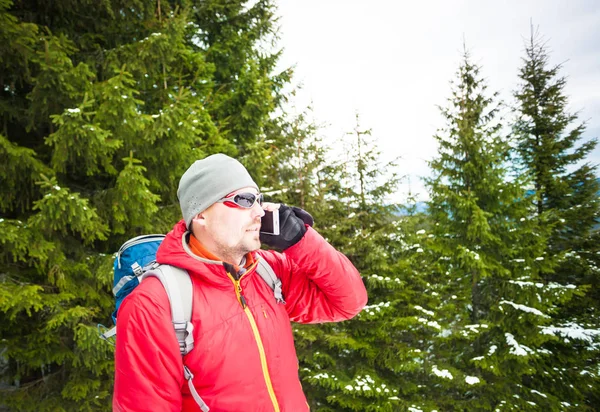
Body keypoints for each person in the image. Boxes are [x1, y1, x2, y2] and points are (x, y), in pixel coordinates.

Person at [113, 153, 368, 411]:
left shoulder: (266, 271)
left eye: (259, 200)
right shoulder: (155, 303)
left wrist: (301, 241)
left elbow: (348, 302)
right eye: (244, 200)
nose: (259, 212)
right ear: (201, 215)